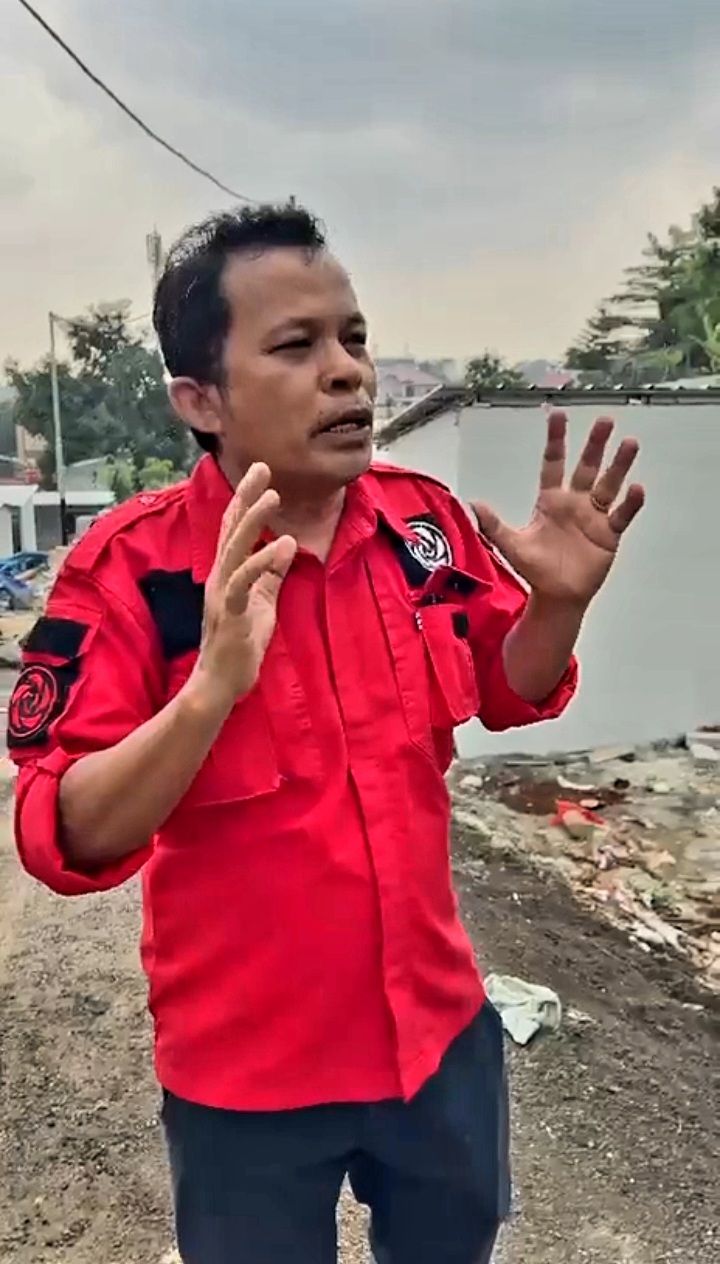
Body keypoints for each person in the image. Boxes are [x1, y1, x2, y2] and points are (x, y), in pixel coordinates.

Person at [9, 202, 645, 1264]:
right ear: (200, 399)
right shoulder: (133, 574)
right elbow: (60, 833)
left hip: (437, 1042)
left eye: (353, 337)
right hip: (246, 1081)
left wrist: (560, 608)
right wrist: (209, 691)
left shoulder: (422, 526)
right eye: (296, 346)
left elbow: (508, 685)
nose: (347, 371)